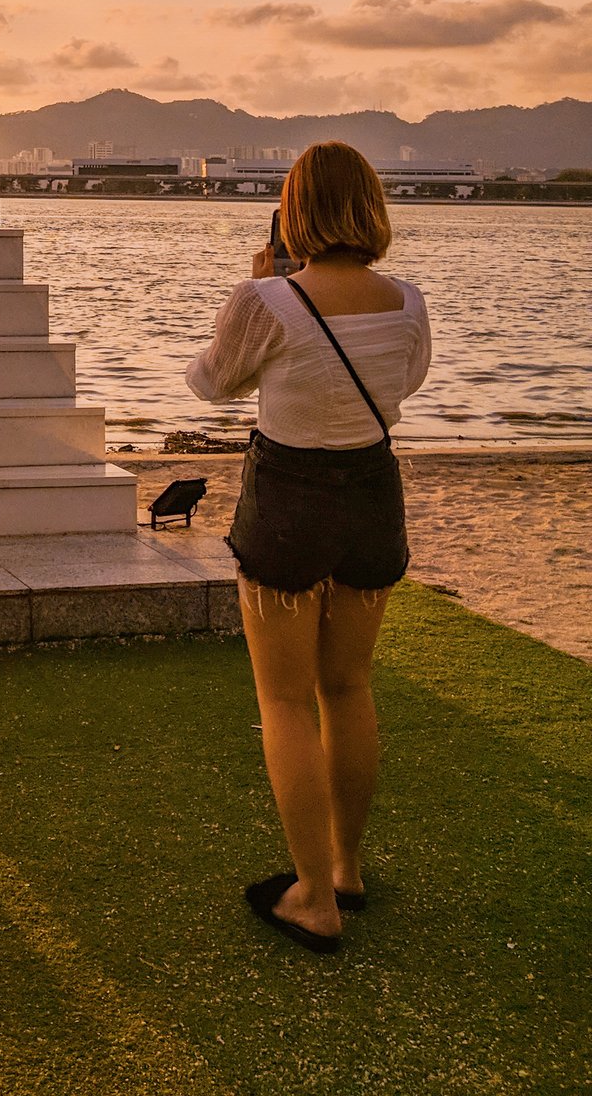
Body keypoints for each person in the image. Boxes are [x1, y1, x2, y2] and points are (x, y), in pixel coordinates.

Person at [185, 141, 431, 954]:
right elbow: (407, 384)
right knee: (349, 688)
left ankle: (313, 898)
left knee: (285, 702)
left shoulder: (267, 298)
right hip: (371, 494)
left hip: (289, 498)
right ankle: (348, 871)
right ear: (371, 207)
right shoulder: (407, 301)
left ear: (294, 211)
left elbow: (211, 385)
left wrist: (256, 285)